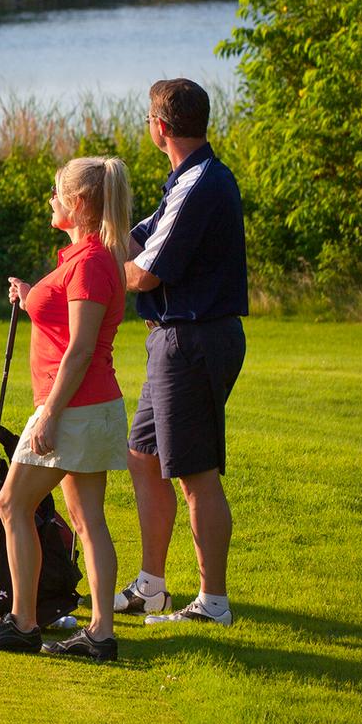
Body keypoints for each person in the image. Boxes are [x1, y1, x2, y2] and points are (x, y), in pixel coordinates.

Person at [0, 156, 133, 659]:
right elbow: (64, 316)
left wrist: (51, 414)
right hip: (91, 407)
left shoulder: (90, 264)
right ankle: (99, 634)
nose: (51, 200)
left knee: (11, 503)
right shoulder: (86, 257)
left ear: (78, 204)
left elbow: (80, 348)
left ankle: (23, 622)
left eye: (57, 193)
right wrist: (30, 294)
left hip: (73, 408)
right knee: (87, 520)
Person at [117, 78, 247, 626]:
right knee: (144, 458)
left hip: (191, 339)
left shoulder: (199, 183)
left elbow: (145, 273)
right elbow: (136, 238)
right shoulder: (184, 180)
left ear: (161, 127)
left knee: (196, 475)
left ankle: (212, 602)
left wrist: (102, 276)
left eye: (149, 116)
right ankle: (151, 585)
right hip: (174, 339)